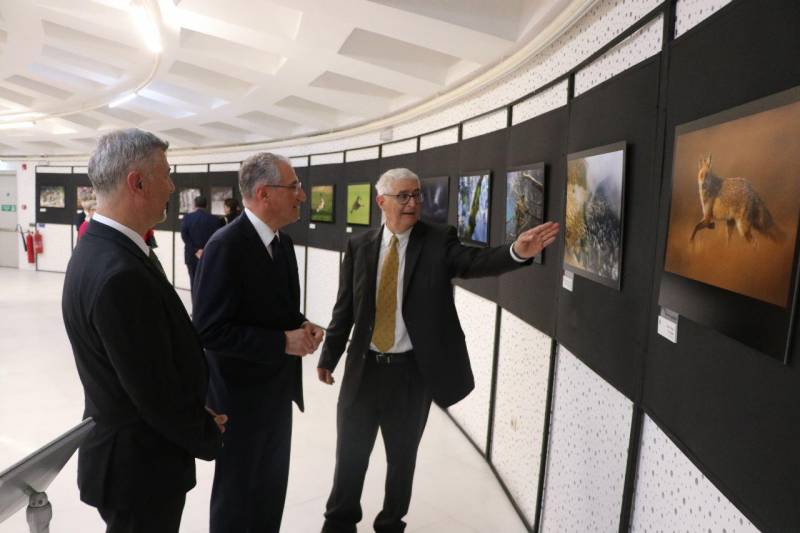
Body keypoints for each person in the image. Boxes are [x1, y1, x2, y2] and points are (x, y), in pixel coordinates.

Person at [317, 168, 559, 533]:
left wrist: (515, 252)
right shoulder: (359, 245)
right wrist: (329, 356)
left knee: (402, 461)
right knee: (350, 454)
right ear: (381, 201)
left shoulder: (437, 240)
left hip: (410, 375)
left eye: (416, 195)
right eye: (403, 196)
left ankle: (390, 524)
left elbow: (474, 262)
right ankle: (338, 523)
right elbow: (345, 306)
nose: (413, 202)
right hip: (362, 369)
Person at [61, 128, 226, 533]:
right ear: (137, 182)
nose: (172, 186)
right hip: (140, 469)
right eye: (166, 174)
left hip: (135, 459)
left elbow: (143, 368)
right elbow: (151, 392)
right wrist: (205, 431)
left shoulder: (102, 249)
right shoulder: (119, 272)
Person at [192, 152, 325, 533]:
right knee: (237, 499)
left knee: (270, 494)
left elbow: (276, 310)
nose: (302, 195)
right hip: (239, 402)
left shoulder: (283, 243)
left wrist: (302, 325)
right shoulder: (225, 246)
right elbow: (209, 330)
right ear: (264, 193)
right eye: (294, 186)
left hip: (276, 394)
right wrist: (282, 342)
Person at [181, 195, 223, 288]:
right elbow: (217, 238)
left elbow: (185, 237)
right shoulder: (214, 219)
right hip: (209, 255)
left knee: (193, 282)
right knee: (208, 283)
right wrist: (204, 250)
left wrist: (196, 250)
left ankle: (195, 298)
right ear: (206, 205)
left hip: (192, 255)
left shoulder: (187, 218)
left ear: (194, 205)